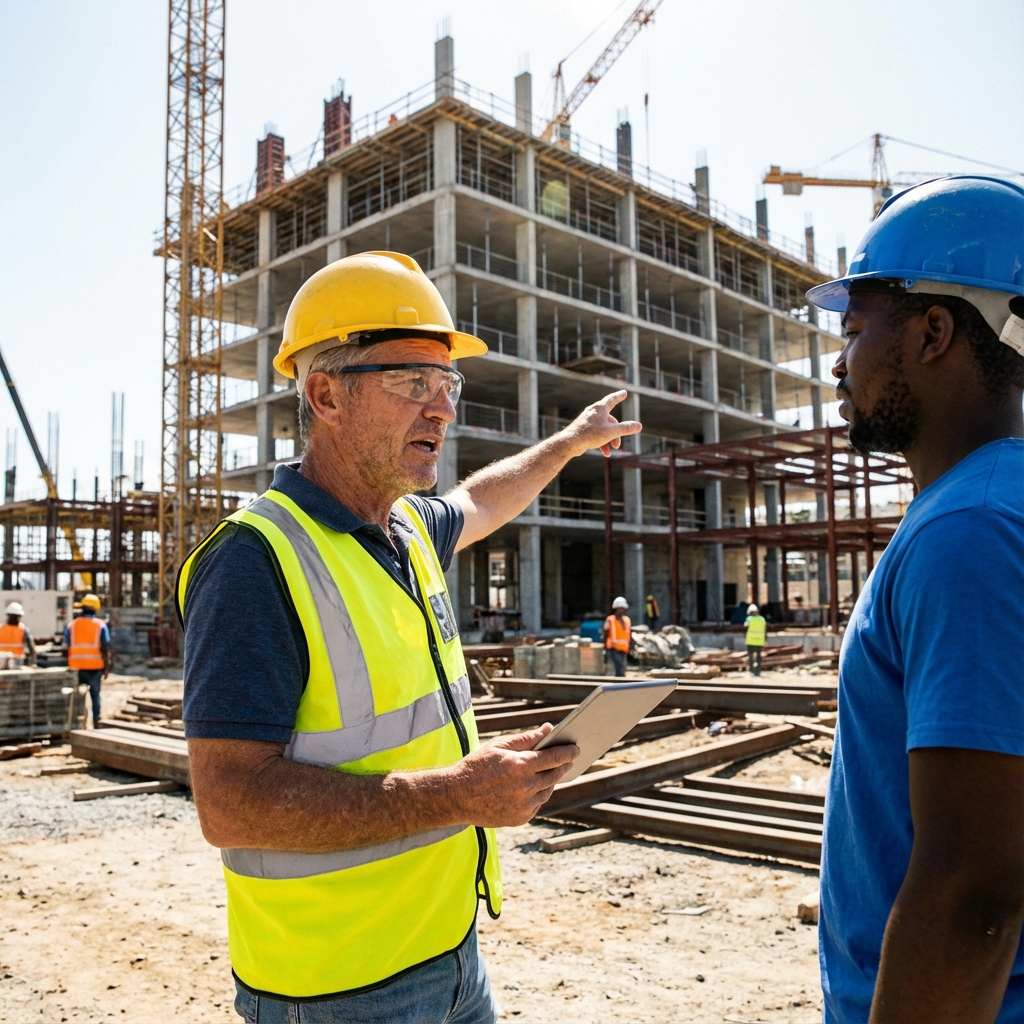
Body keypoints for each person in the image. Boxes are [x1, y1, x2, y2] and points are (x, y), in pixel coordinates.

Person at [178, 251, 642, 1022]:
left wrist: (567, 443)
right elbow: (230, 805)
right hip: (334, 987)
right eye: (413, 383)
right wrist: (456, 793)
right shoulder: (255, 559)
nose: (442, 410)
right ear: (326, 395)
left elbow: (483, 500)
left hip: (450, 949)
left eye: (447, 384)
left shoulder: (408, 529)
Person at [806, 176, 1024, 1022]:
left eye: (855, 330)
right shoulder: (987, 506)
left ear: (933, 333)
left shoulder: (970, 531)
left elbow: (975, 893)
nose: (838, 362)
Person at [64, 594, 110, 727]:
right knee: (95, 696)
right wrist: (107, 667)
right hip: (94, 667)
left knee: (75, 696)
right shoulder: (100, 625)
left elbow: (65, 646)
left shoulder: (72, 625)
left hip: (75, 668)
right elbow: (105, 647)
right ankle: (96, 723)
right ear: (96, 609)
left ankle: (75, 723)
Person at [0, 601, 35, 667]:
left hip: (15, 661)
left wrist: (32, 663)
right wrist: (32, 663)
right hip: (5, 661)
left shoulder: (24, 629)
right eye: (14, 616)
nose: (16, 618)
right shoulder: (23, 629)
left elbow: (31, 648)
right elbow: (32, 649)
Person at [604, 596, 631, 677]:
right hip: (613, 648)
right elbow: (605, 631)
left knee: (623, 667)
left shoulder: (627, 620)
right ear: (616, 608)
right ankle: (619, 682)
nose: (621, 610)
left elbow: (628, 634)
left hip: (624, 648)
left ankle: (620, 682)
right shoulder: (610, 619)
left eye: (622, 608)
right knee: (619, 667)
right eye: (619, 608)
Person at [743, 603, 766, 676]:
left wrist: (744, 636)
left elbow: (745, 628)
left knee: (751, 657)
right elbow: (765, 630)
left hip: (750, 641)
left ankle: (752, 671)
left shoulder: (749, 619)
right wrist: (765, 639)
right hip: (759, 641)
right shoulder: (762, 619)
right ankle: (758, 671)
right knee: (758, 657)